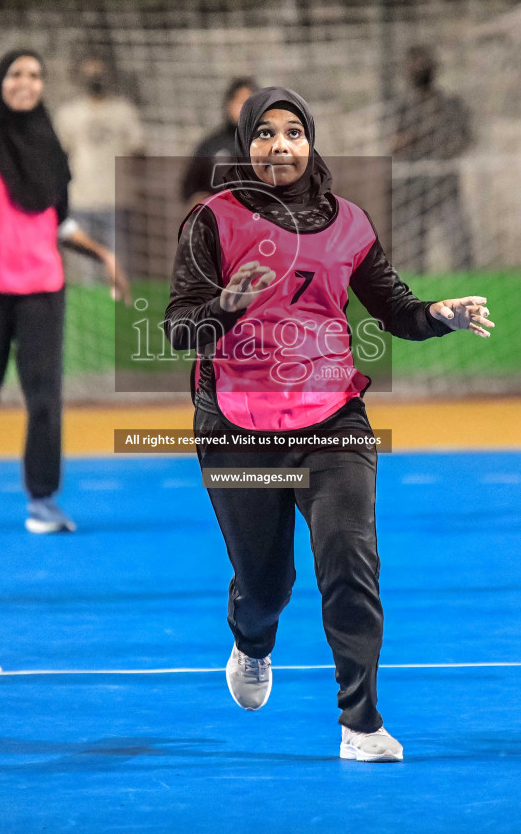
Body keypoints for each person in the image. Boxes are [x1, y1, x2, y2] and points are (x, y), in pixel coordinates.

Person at [163, 87, 492, 762]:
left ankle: (361, 725)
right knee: (266, 584)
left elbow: (392, 308)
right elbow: (178, 329)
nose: (278, 146)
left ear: (311, 142)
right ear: (244, 144)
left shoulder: (349, 222)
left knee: (349, 560)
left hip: (333, 417)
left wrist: (437, 314)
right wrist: (228, 302)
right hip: (233, 425)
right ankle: (252, 642)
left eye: (292, 133)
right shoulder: (211, 221)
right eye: (264, 134)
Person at [0, 50, 126, 535]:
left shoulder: (51, 145)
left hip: (42, 285)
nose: (25, 82)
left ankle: (43, 500)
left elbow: (60, 220)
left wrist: (104, 255)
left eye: (35, 75)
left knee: (45, 396)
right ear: (0, 81)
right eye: (16, 74)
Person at [51, 52, 146, 279]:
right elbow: (57, 158)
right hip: (80, 203)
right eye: (90, 73)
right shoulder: (69, 114)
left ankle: (121, 315)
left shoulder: (123, 111)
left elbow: (139, 151)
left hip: (116, 203)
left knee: (119, 271)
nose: (95, 78)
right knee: (87, 276)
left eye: (99, 72)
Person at [388, 46, 474, 272]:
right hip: (412, 186)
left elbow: (465, 139)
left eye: (423, 64)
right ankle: (415, 296)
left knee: (459, 244)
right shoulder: (402, 108)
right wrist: (410, 139)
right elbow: (394, 145)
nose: (418, 69)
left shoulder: (449, 105)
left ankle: (470, 287)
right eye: (414, 65)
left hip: (443, 183)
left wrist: (442, 149)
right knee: (413, 249)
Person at [180, 77, 257, 208]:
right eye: (240, 102)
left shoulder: (268, 145)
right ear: (229, 103)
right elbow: (189, 187)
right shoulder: (211, 145)